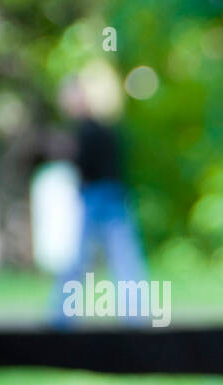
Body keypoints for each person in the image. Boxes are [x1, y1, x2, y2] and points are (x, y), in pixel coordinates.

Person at [45, 74, 149, 329]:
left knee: (81, 259)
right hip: (111, 196)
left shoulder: (87, 129)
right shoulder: (99, 128)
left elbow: (85, 161)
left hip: (98, 197)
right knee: (121, 258)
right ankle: (134, 317)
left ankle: (62, 317)